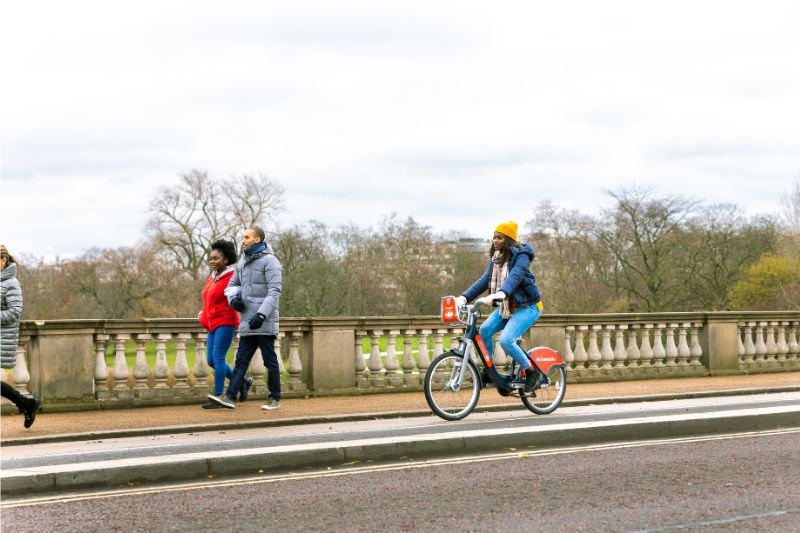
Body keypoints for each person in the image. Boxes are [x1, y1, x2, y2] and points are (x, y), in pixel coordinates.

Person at [456, 221, 544, 393]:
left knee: (506, 340)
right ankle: (490, 370)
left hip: (528, 307)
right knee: (484, 331)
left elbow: (516, 276)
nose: (495, 241)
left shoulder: (522, 255)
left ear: (509, 239)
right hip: (507, 307)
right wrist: (463, 298)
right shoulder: (496, 259)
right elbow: (483, 281)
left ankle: (532, 371)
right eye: (494, 237)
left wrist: (502, 293)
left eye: (499, 237)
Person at [208, 226, 282, 411]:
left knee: (269, 361)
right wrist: (234, 302)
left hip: (263, 321)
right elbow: (232, 286)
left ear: (257, 240)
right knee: (241, 361)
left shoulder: (270, 262)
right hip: (247, 321)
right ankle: (230, 397)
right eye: (243, 237)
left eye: (247, 237)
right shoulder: (242, 262)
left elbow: (274, 292)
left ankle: (275, 398)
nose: (243, 240)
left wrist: (261, 314)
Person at [198, 239, 253, 409]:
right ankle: (242, 381)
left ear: (225, 260)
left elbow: (239, 297)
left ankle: (218, 395)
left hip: (226, 322)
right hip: (212, 324)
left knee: (219, 358)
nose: (212, 261)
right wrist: (203, 313)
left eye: (216, 258)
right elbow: (209, 299)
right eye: (211, 258)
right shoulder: (212, 278)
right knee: (211, 360)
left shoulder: (231, 277)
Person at [1, 244, 41, 428]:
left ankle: (26, 403)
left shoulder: (11, 283)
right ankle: (26, 403)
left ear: (3, 260)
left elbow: (15, 312)